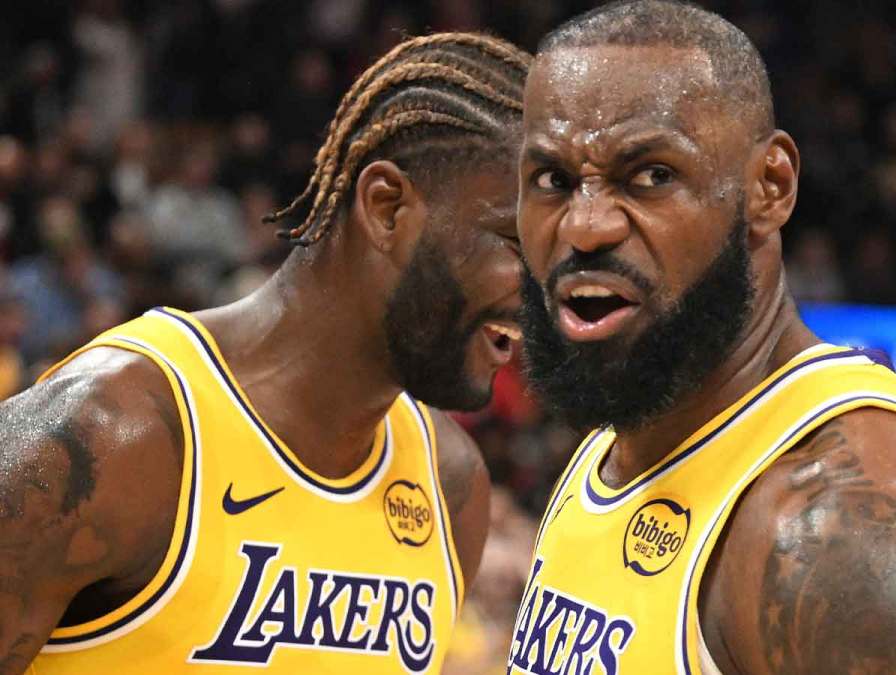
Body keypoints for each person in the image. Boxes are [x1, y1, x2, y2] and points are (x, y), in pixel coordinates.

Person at [509, 2, 896, 673]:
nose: (585, 227)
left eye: (651, 176)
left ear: (770, 187)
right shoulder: (619, 441)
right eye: (552, 180)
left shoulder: (842, 541)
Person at [0, 32, 530, 673]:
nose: (547, 294)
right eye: (516, 243)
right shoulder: (104, 435)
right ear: (387, 207)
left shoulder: (451, 487)